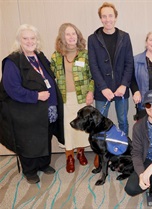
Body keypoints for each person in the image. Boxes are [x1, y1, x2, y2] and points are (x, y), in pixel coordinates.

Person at [0, 24, 64, 184]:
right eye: (25, 38)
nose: (29, 41)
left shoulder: (39, 56)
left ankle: (43, 164)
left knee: (45, 136)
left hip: (46, 109)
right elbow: (12, 89)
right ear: (19, 41)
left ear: (37, 40)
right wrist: (36, 96)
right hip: (26, 111)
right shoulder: (12, 62)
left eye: (32, 38)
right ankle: (30, 171)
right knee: (29, 140)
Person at [51, 23, 94, 173]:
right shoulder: (56, 56)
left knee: (82, 128)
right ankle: (69, 156)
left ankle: (81, 152)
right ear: (62, 37)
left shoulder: (85, 54)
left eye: (73, 34)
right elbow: (51, 77)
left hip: (82, 98)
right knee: (68, 129)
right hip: (64, 99)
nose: (71, 37)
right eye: (67, 34)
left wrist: (90, 92)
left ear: (78, 35)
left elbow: (92, 76)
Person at [88, 2, 134, 135]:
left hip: (121, 88)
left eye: (110, 16)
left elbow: (129, 63)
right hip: (102, 90)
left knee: (123, 122)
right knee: (99, 123)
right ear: (100, 18)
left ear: (115, 17)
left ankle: (123, 149)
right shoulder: (93, 39)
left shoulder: (124, 37)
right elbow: (93, 65)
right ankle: (101, 153)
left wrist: (124, 85)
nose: (107, 19)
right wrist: (103, 87)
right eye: (104, 16)